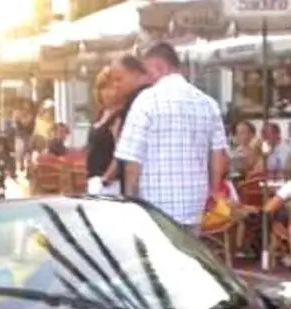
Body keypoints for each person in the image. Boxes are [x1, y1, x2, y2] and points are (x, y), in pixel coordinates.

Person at [114, 42, 228, 235]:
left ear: (160, 67)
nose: (148, 78)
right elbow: (218, 156)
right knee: (188, 252)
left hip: (154, 206)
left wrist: (131, 201)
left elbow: (132, 161)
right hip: (195, 203)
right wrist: (213, 192)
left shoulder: (146, 101)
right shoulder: (208, 103)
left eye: (149, 71)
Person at [109, 55, 152, 195]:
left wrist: (129, 196)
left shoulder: (138, 102)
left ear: (136, 74)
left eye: (119, 79)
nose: (115, 85)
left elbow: (130, 153)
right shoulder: (143, 99)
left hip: (139, 184)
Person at [85, 66, 123, 196]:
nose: (106, 92)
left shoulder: (120, 116)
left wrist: (106, 179)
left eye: (110, 88)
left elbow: (122, 151)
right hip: (94, 180)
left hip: (110, 183)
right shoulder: (100, 114)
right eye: (102, 88)